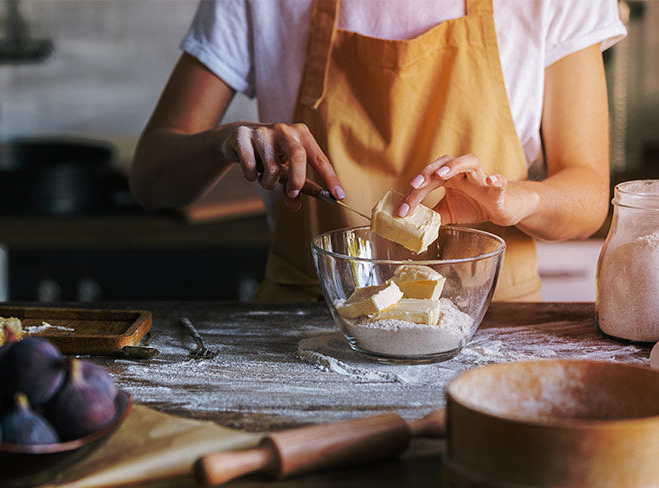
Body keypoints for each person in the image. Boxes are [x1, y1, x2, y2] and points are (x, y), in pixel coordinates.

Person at [129, 0, 626, 302]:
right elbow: (151, 179)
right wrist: (226, 140)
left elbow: (586, 198)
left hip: (491, 326)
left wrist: (518, 200)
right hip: (307, 328)